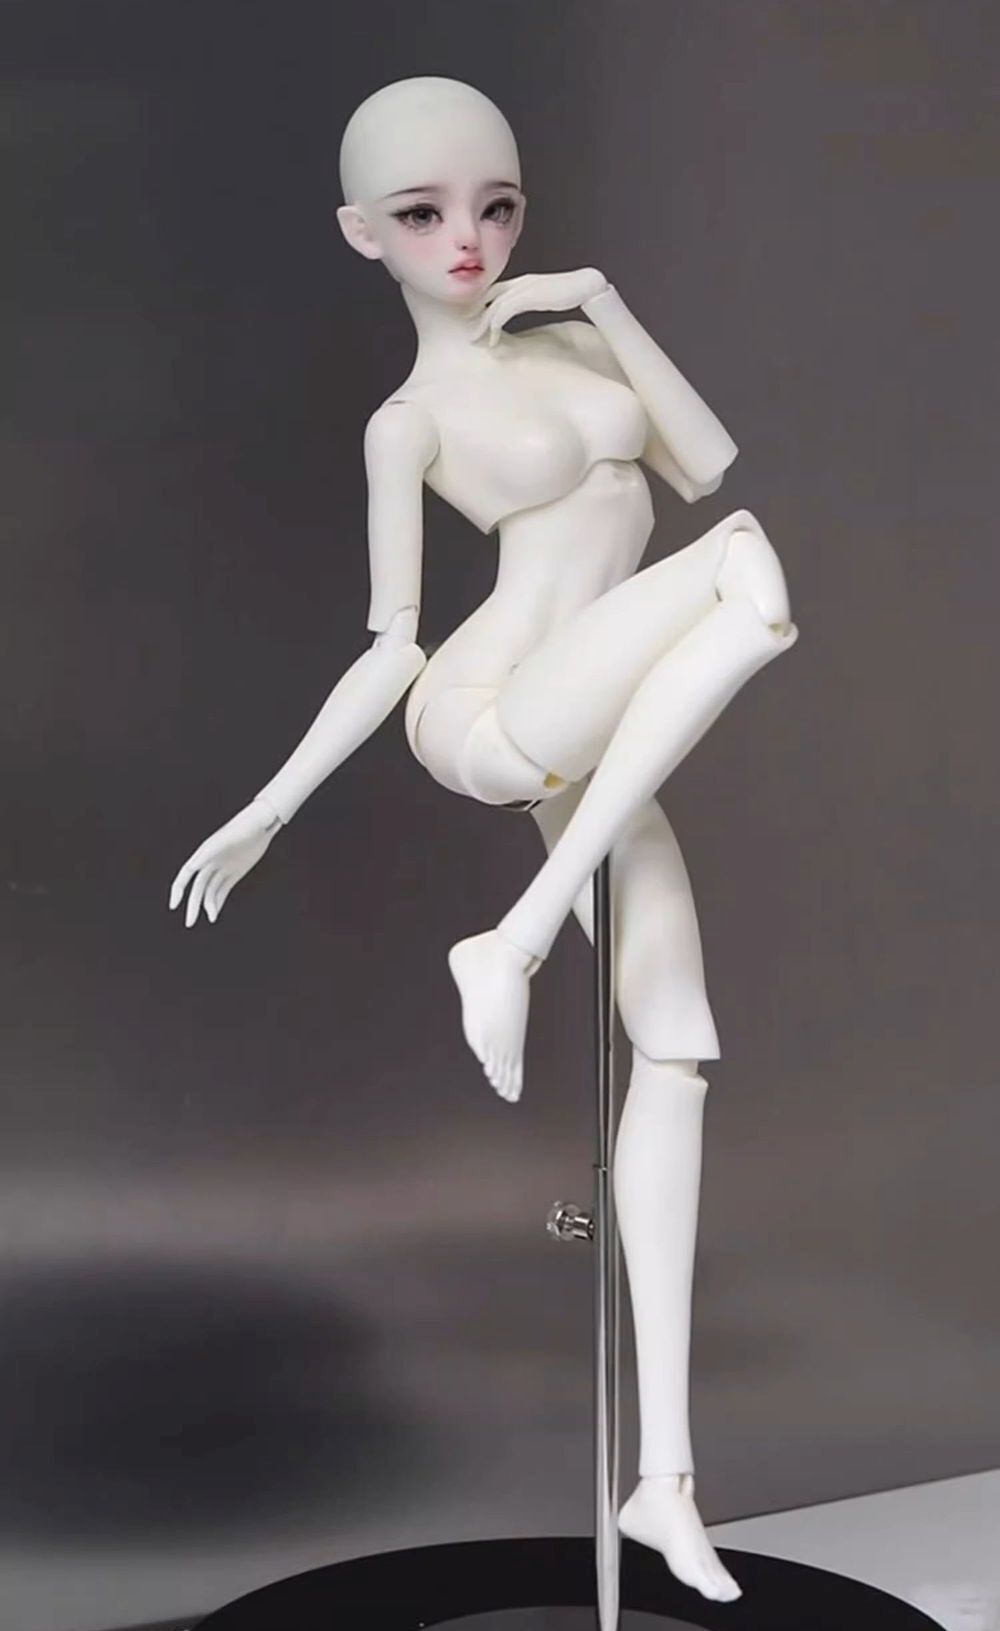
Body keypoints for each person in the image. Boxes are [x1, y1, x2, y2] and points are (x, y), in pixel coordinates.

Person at [169, 76, 798, 1602]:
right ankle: (507, 944)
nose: (468, 238)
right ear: (361, 233)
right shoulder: (410, 422)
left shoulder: (568, 334)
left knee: (675, 1049)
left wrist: (604, 300)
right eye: (422, 213)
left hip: (593, 726)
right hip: (494, 706)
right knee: (744, 576)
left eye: (496, 206)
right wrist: (267, 808)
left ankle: (661, 1484)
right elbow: (391, 646)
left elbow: (704, 460)